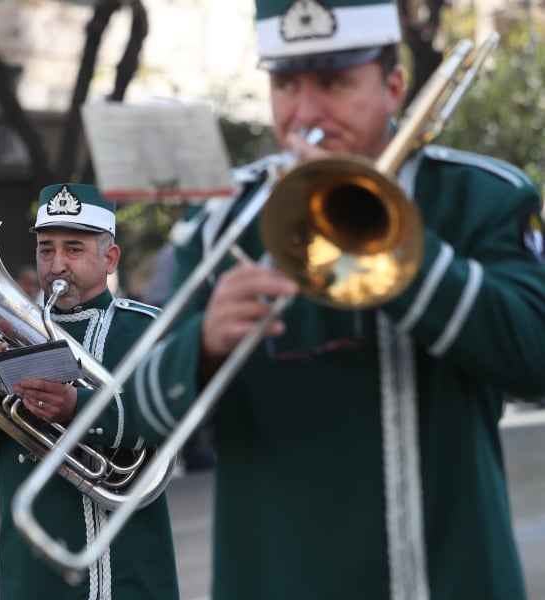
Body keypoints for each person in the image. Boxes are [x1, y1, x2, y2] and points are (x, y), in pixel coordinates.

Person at [121, 1, 545, 598]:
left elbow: (535, 362)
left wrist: (398, 254)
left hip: (449, 575)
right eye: (286, 84)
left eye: (336, 82)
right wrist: (203, 346)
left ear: (393, 86)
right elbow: (133, 415)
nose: (305, 113)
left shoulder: (481, 197)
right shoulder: (224, 217)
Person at [0, 183, 179, 600]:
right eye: (45, 250)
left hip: (128, 566)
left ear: (109, 259)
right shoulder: (3, 335)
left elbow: (170, 427)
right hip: (34, 571)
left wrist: (79, 408)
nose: (56, 265)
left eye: (74, 249)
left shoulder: (145, 329)